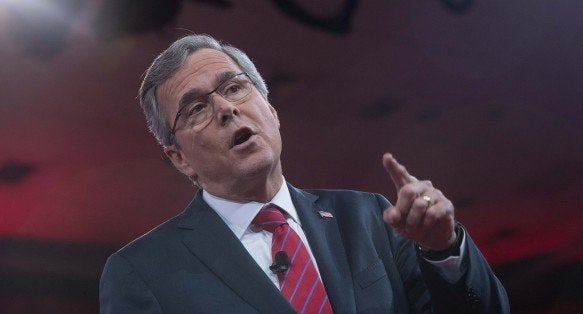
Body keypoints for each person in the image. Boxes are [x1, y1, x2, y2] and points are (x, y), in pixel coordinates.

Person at [99, 34, 509, 313]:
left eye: (235, 87)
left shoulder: (368, 219)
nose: (226, 109)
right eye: (196, 109)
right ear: (179, 158)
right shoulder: (141, 272)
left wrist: (443, 251)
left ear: (271, 110)